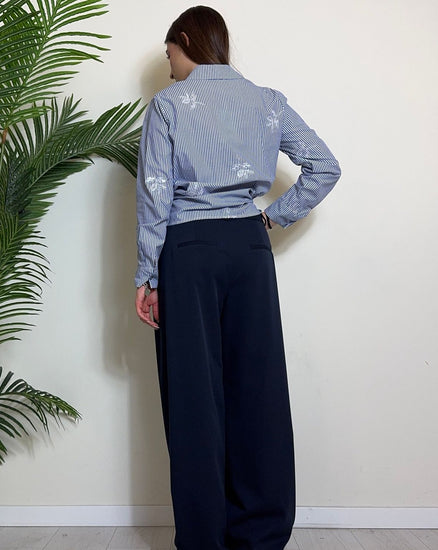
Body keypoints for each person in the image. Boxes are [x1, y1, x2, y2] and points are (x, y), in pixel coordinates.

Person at [134, 6, 341, 550]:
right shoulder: (268, 101)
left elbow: (156, 192)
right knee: (259, 389)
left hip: (188, 252)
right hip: (249, 249)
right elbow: (325, 165)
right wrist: (271, 218)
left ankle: (204, 538)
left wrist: (146, 274)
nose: (170, 67)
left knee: (194, 397)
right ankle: (261, 534)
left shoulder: (169, 105)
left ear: (185, 40)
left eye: (170, 54)